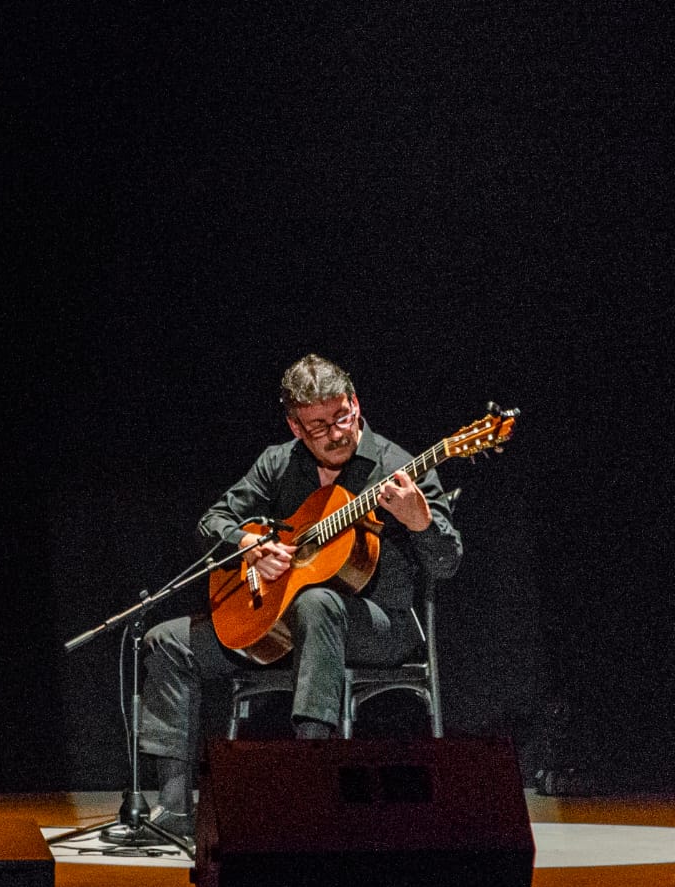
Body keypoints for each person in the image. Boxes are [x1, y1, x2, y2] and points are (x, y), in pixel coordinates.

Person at [137, 354, 462, 837]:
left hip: (380, 627)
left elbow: (446, 562)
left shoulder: (398, 467)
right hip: (282, 629)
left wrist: (421, 521)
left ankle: (311, 788)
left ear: (355, 403)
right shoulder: (279, 462)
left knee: (318, 602)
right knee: (168, 641)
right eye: (316, 426)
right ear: (294, 425)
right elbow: (213, 522)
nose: (334, 434)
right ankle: (174, 808)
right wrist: (249, 546)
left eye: (341, 417)